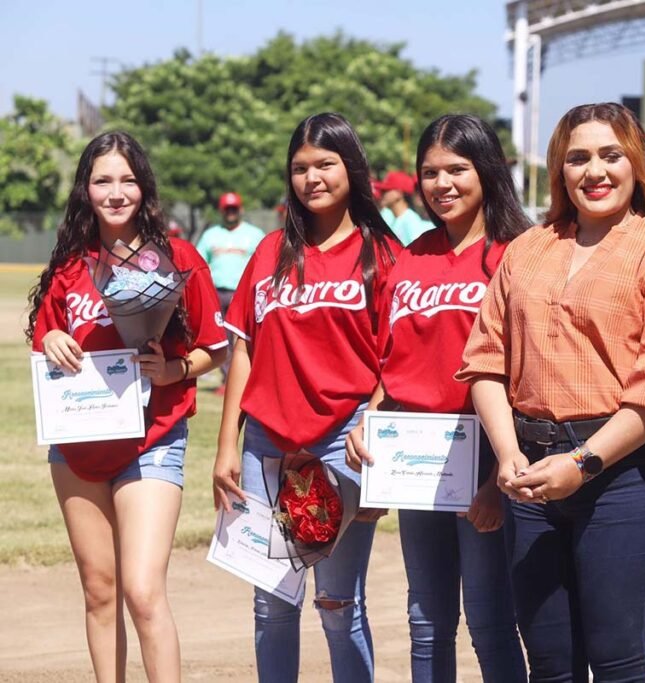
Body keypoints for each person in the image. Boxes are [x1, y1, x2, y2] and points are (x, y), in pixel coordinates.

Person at [456, 102, 645, 681]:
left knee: (617, 663)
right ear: (559, 170)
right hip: (529, 474)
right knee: (549, 664)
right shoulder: (528, 249)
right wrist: (508, 454)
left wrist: (584, 462)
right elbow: (486, 360)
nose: (594, 171)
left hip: (624, 478)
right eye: (578, 158)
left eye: (609, 155)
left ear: (636, 162)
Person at [27, 131, 228, 681]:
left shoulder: (179, 259)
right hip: (79, 446)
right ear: (85, 189)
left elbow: (216, 346)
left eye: (127, 180)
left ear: (144, 186)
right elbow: (44, 337)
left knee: (141, 591)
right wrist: (48, 340)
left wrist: (176, 370)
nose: (115, 193)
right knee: (99, 590)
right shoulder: (69, 266)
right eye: (102, 181)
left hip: (153, 438)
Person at [211, 113, 400, 683]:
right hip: (266, 442)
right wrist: (226, 446)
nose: (311, 177)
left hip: (348, 441)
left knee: (339, 606)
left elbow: (395, 359)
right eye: (300, 167)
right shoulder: (270, 250)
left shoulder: (380, 252)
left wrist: (376, 429)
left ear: (353, 169)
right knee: (271, 604)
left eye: (325, 164)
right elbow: (241, 349)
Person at [346, 113, 530, 682]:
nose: (442, 184)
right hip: (418, 457)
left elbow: (529, 377)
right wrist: (370, 421)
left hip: (486, 455)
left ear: (489, 171)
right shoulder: (412, 256)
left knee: (490, 619)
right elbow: (393, 361)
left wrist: (499, 479)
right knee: (426, 618)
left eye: (457, 169)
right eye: (430, 172)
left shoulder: (518, 253)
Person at [195, 191, 264, 394]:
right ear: (221, 210)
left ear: (240, 210)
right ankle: (227, 381)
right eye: (227, 209)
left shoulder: (254, 234)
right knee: (222, 339)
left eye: (234, 209)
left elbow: (262, 263)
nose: (231, 213)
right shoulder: (211, 235)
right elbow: (200, 262)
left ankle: (249, 381)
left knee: (244, 339)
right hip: (216, 293)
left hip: (243, 294)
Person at [380, 170, 432, 246]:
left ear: (399, 193)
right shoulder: (396, 219)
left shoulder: (410, 219)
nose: (382, 194)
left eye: (386, 190)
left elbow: (418, 252)